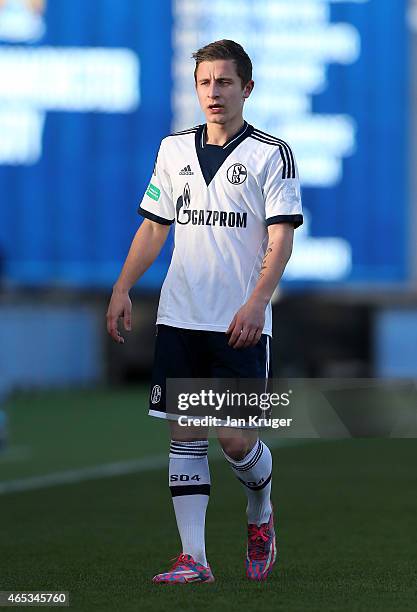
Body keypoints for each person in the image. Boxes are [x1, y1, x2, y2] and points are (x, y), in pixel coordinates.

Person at [106, 39, 303, 584]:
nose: (213, 92)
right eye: (204, 82)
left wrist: (257, 301)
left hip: (239, 321)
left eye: (224, 82)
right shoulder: (173, 150)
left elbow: (281, 239)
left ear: (247, 87)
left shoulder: (271, 152)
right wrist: (123, 287)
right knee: (186, 433)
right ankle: (194, 558)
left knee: (235, 440)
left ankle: (260, 513)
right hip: (180, 316)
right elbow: (152, 227)